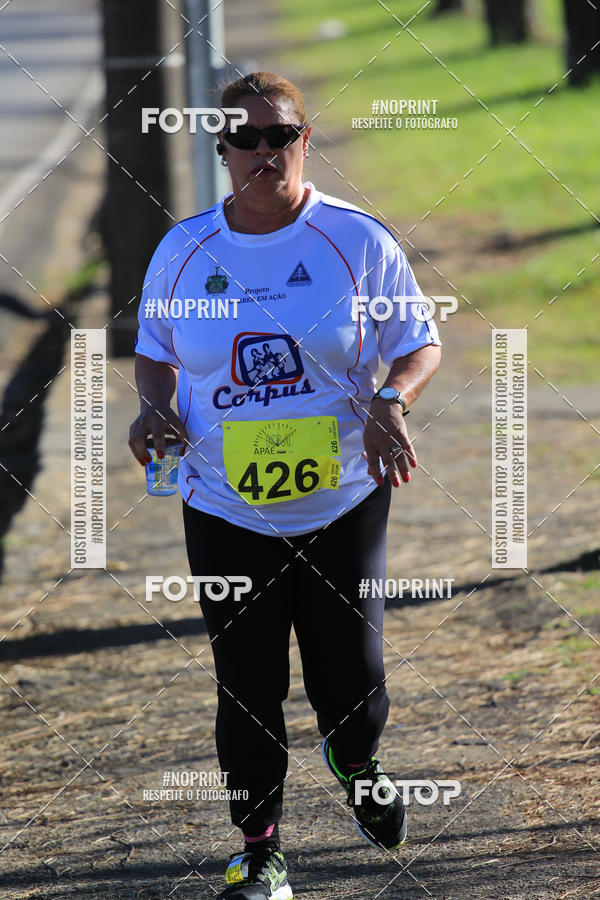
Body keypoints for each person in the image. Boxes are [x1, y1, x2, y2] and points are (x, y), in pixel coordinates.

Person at [129, 71, 442, 900]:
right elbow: (155, 354)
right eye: (248, 139)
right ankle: (260, 849)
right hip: (224, 503)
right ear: (222, 149)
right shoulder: (186, 250)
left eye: (282, 136)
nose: (265, 152)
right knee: (246, 684)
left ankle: (357, 759)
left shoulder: (356, 240)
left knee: (354, 682)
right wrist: (151, 412)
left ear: (305, 141)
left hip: (342, 495)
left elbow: (419, 342)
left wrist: (389, 399)